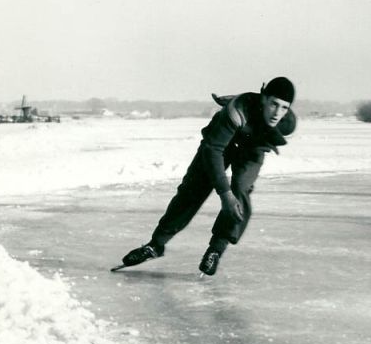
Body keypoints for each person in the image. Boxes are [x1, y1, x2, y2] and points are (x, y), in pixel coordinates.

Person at [121, 77, 297, 276]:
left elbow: (267, 142)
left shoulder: (287, 124)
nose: (277, 113)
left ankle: (216, 249)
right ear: (263, 98)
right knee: (193, 189)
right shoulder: (237, 111)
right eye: (274, 104)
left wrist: (232, 195)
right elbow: (213, 150)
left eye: (284, 107)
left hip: (251, 148)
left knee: (240, 190)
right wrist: (224, 194)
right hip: (220, 141)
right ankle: (155, 245)